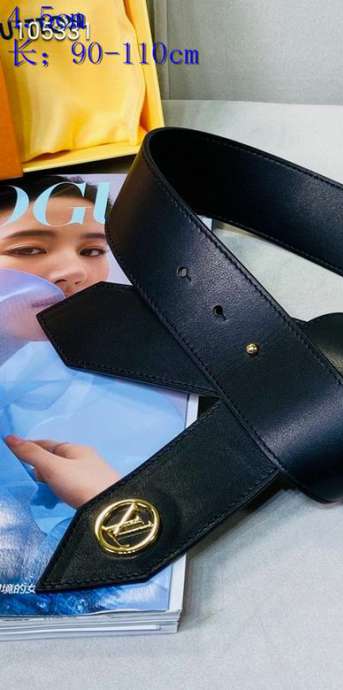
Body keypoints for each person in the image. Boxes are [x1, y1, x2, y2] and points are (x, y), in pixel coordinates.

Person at [0, 176, 185, 615]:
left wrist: (104, 502)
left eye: (92, 251)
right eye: (29, 249)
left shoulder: (141, 385)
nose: (75, 271)